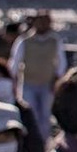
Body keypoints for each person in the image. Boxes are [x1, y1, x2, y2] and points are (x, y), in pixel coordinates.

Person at [9, 11, 67, 140]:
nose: (43, 24)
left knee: (46, 116)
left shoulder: (55, 41)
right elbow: (15, 62)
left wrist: (57, 79)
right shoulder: (24, 41)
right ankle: (32, 141)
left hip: (48, 84)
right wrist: (12, 81)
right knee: (31, 114)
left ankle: (44, 142)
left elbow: (61, 62)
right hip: (28, 83)